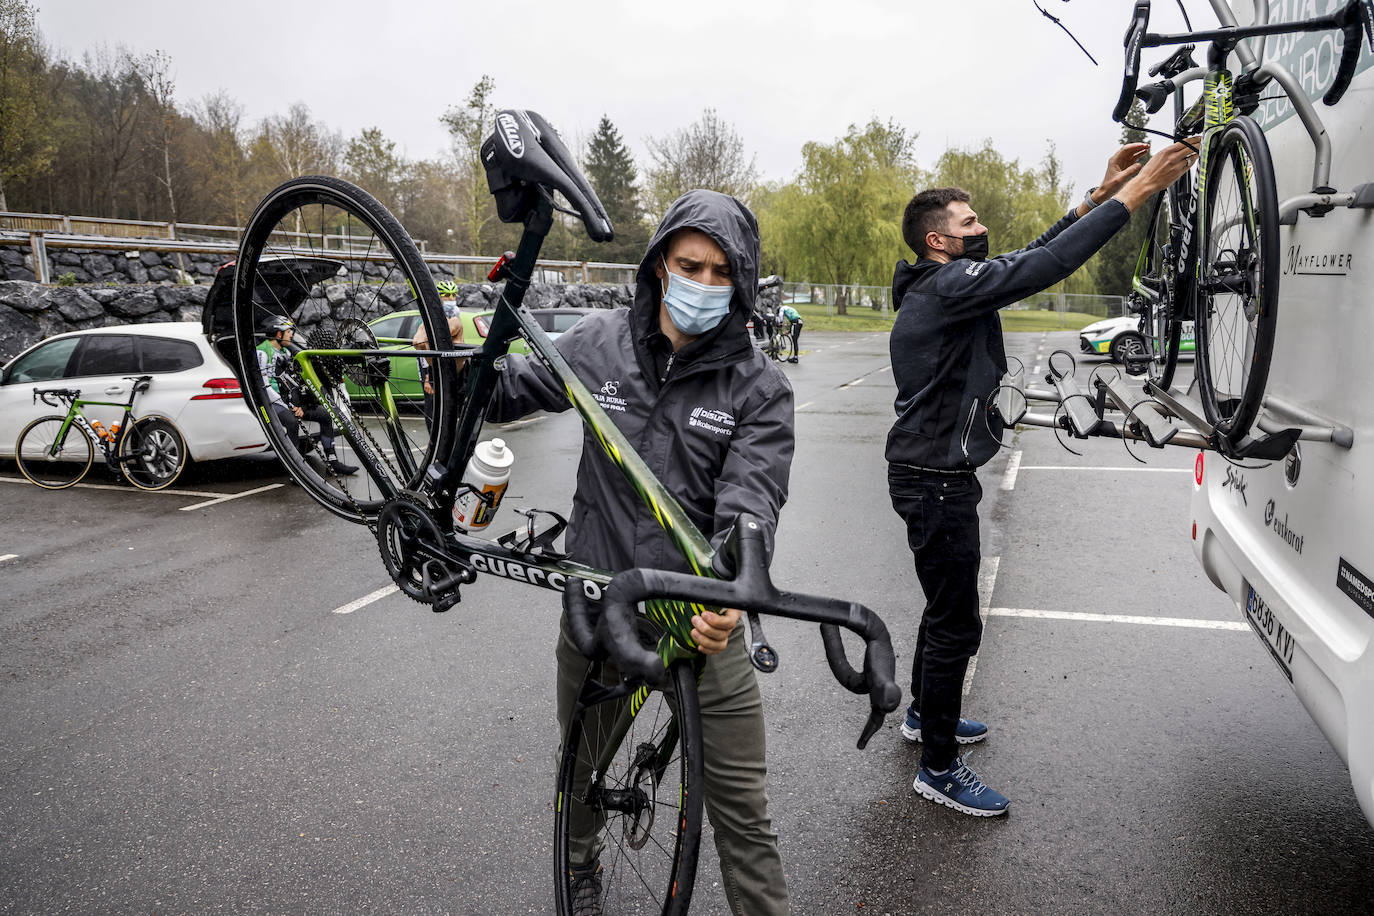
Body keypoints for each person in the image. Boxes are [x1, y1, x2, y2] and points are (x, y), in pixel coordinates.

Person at [488, 189, 794, 915]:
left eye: (724, 272)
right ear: (661, 264)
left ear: (743, 281)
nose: (706, 284)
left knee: (745, 815)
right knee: (582, 769)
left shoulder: (760, 386)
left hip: (701, 618)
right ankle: (579, 861)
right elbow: (505, 393)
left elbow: (752, 501)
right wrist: (454, 367)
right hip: (600, 608)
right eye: (691, 266)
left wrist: (731, 588)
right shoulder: (598, 342)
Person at [887, 139, 1198, 816]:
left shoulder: (945, 284)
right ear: (939, 241)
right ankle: (937, 768)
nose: (981, 229)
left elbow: (1026, 256)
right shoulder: (947, 288)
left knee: (943, 610)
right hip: (935, 482)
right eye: (969, 224)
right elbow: (1044, 266)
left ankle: (924, 717)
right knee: (956, 624)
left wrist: (1095, 198)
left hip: (930, 476)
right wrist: (1140, 190)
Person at [256, 316, 358, 475]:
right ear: (278, 334)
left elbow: (294, 381)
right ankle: (296, 470)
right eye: (288, 331)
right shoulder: (262, 352)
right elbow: (264, 387)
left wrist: (301, 405)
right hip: (272, 401)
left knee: (325, 415)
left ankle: (333, 462)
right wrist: (289, 406)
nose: (291, 334)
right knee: (292, 423)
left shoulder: (285, 351)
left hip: (290, 401)